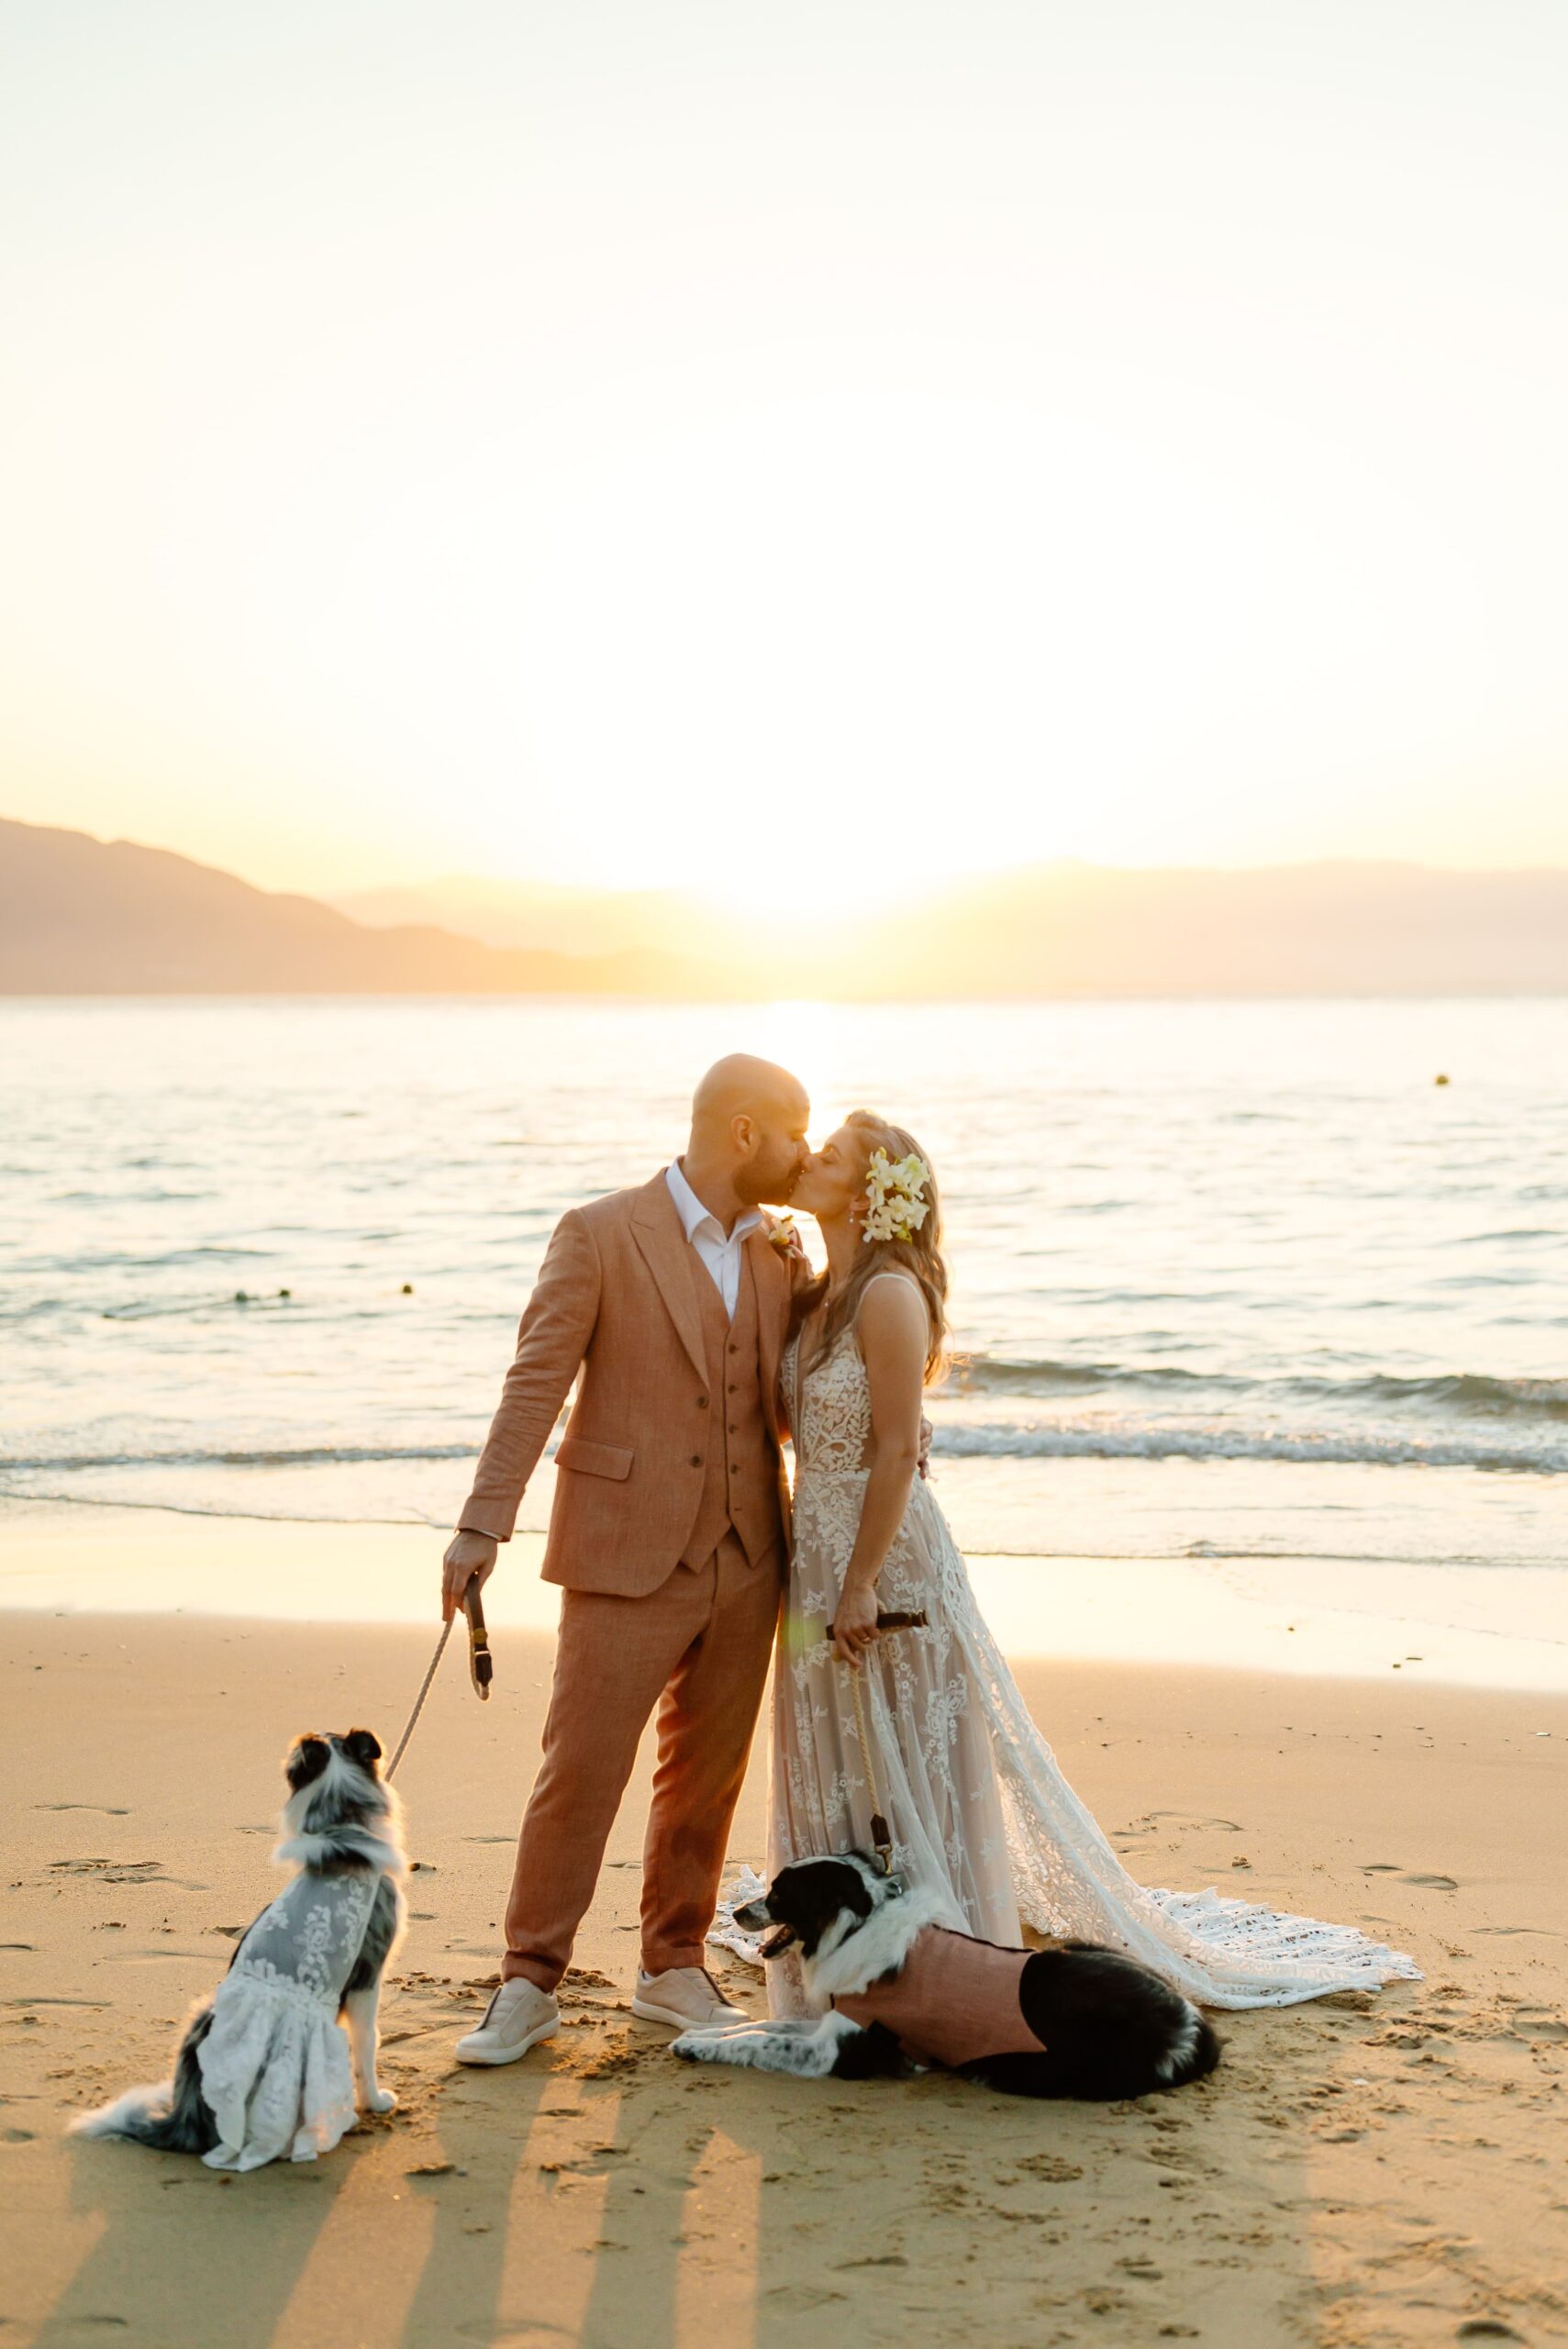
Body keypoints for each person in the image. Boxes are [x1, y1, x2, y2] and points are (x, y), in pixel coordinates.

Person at [750, 1109, 1419, 2014]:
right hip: (814, 1553)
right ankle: (844, 1947)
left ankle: (938, 1956)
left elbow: (898, 1443)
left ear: (873, 1193)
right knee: (844, 1754)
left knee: (905, 1750)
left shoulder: (887, 1294)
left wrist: (863, 1578)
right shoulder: (814, 1293)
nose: (806, 1160)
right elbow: (800, 1430)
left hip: (885, 1559)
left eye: (827, 1154)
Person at [442, 1054, 813, 2064]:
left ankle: (672, 1966)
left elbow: (805, 1388)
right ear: (742, 1132)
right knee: (581, 1770)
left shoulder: (784, 1249)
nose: (803, 1154)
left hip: (750, 1553)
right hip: (622, 1549)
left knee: (706, 1778)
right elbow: (535, 1383)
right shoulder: (599, 1233)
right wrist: (483, 1525)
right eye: (792, 1134)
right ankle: (527, 1980)